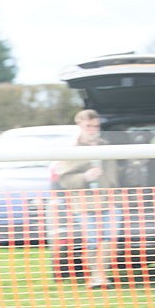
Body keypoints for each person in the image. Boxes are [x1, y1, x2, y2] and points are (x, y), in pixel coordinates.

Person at [56, 109, 121, 288]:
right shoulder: (71, 151)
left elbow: (115, 176)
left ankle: (102, 275)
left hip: (109, 201)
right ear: (79, 125)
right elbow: (65, 179)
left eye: (96, 126)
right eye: (88, 125)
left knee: (109, 238)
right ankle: (94, 276)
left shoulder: (106, 146)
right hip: (84, 205)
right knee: (92, 239)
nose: (93, 129)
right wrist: (85, 177)